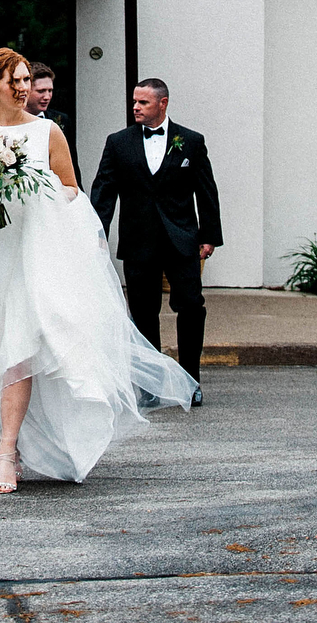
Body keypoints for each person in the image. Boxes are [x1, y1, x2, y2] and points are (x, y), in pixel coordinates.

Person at [0, 48, 195, 494]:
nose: (23, 88)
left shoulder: (48, 132)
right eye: (14, 80)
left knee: (18, 352)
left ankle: (7, 455)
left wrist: (30, 189)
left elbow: (72, 191)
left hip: (35, 256)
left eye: (27, 79)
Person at [90, 78, 222, 406]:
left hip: (182, 240)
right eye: (134, 102)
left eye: (143, 103)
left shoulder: (190, 141)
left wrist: (209, 236)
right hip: (138, 240)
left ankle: (191, 379)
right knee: (144, 313)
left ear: (162, 104)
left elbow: (206, 190)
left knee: (191, 306)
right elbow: (104, 190)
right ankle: (151, 384)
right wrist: (95, 233)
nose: (135, 107)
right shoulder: (118, 142)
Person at [24, 62, 69, 134]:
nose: (47, 97)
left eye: (50, 90)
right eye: (41, 91)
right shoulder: (8, 119)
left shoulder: (61, 119)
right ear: (26, 90)